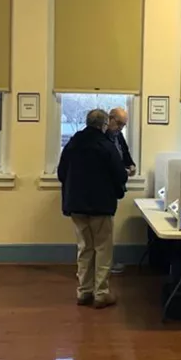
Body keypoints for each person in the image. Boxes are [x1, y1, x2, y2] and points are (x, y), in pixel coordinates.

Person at [58, 109, 128, 309]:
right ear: (104, 125)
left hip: (76, 205)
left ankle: (83, 291)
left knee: (84, 248)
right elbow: (120, 176)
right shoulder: (106, 146)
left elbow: (62, 173)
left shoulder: (72, 144)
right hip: (101, 205)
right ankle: (101, 294)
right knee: (103, 249)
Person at [106, 107, 136, 275]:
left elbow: (124, 153)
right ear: (110, 119)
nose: (120, 128)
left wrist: (131, 165)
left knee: (108, 229)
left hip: (114, 188)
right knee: (102, 233)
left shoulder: (118, 136)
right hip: (103, 190)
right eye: (119, 124)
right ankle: (104, 265)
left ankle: (107, 262)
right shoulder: (102, 138)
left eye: (123, 126)